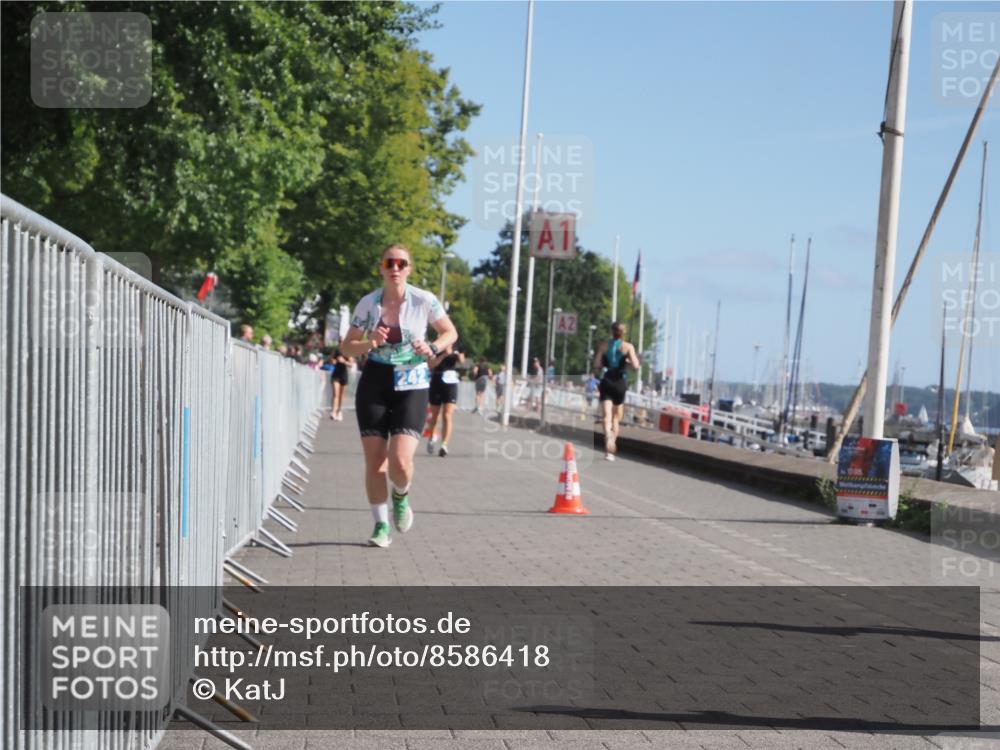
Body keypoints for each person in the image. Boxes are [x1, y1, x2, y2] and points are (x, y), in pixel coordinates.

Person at [340, 245, 458, 548]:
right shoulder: (368, 305)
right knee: (375, 461)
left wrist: (432, 347)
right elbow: (346, 347)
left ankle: (401, 495)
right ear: (381, 268)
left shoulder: (424, 300)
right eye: (389, 262)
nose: (395, 268)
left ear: (409, 268)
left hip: (412, 381)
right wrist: (369, 342)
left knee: (401, 462)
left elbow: (450, 333)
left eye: (401, 263)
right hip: (375, 381)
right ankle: (381, 525)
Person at [592, 321, 640, 461]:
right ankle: (611, 447)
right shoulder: (628, 347)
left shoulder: (603, 346)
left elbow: (596, 364)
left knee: (606, 415)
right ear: (623, 332)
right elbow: (636, 366)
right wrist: (629, 363)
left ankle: (607, 435)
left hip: (607, 380)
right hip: (620, 382)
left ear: (611, 331)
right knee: (616, 418)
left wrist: (603, 364)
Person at [425, 342, 464, 457]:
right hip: (437, 379)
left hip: (450, 381)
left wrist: (455, 353)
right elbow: (430, 365)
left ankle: (444, 444)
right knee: (435, 415)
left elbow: (462, 361)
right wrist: (443, 355)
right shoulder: (435, 345)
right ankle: (432, 437)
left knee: (447, 415)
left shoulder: (458, 346)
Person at [329, 347, 352, 421]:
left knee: (341, 395)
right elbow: (331, 361)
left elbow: (351, 364)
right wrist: (333, 361)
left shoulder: (348, 351)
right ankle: (333, 411)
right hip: (336, 375)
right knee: (335, 393)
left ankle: (339, 411)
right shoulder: (336, 351)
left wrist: (343, 361)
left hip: (343, 375)